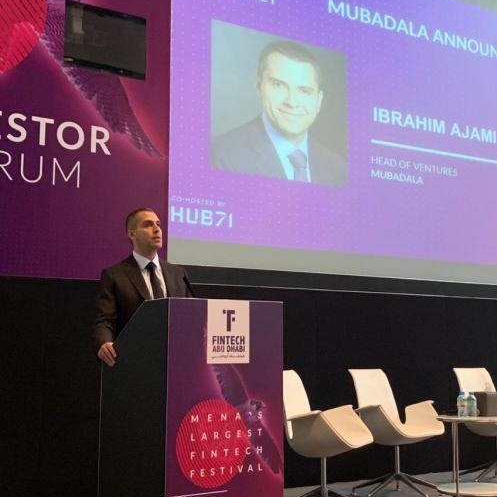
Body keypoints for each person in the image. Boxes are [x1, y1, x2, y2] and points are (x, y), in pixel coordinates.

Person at [212, 39, 346, 186]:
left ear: (319, 100)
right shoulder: (221, 155)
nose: (292, 102)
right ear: (259, 87)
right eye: (278, 85)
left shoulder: (339, 168)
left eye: (304, 91)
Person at [93, 208, 194, 366]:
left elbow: (192, 316)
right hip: (135, 361)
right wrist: (104, 343)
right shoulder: (114, 275)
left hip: (176, 362)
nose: (157, 229)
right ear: (131, 234)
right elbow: (105, 320)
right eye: (148, 225)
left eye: (158, 224)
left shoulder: (178, 274)